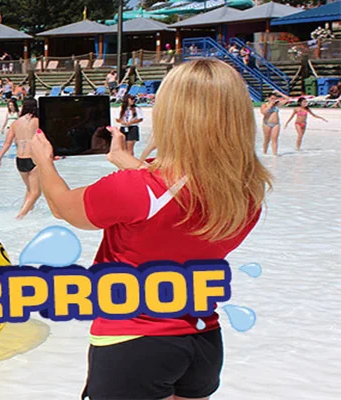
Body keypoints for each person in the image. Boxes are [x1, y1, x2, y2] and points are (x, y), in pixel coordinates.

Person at [28, 58, 271, 400]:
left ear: (173, 115)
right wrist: (124, 161)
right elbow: (179, 196)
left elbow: (63, 207)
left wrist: (43, 161)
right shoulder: (247, 190)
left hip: (135, 342)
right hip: (203, 339)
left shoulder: (135, 189)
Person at [0, 98, 42, 219]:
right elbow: (46, 140)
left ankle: (28, 213)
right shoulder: (38, 122)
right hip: (34, 158)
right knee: (36, 192)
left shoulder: (15, 123)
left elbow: (7, 143)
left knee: (30, 190)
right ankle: (20, 216)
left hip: (20, 160)